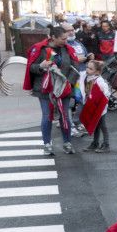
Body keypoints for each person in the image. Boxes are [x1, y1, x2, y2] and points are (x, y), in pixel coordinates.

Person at [23, 25, 79, 155]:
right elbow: (31, 68)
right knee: (47, 116)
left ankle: (67, 142)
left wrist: (68, 83)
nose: (66, 41)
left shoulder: (68, 49)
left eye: (66, 38)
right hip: (45, 89)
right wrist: (41, 67)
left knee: (64, 115)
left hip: (64, 89)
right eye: (63, 39)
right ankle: (47, 144)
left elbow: (75, 68)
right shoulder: (39, 48)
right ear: (53, 37)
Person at [80, 59, 112, 152]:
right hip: (92, 106)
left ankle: (106, 145)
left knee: (102, 125)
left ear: (97, 72)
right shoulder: (89, 78)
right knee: (96, 125)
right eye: (87, 67)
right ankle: (95, 143)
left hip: (100, 108)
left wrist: (99, 101)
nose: (87, 70)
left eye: (90, 69)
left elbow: (106, 93)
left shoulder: (100, 81)